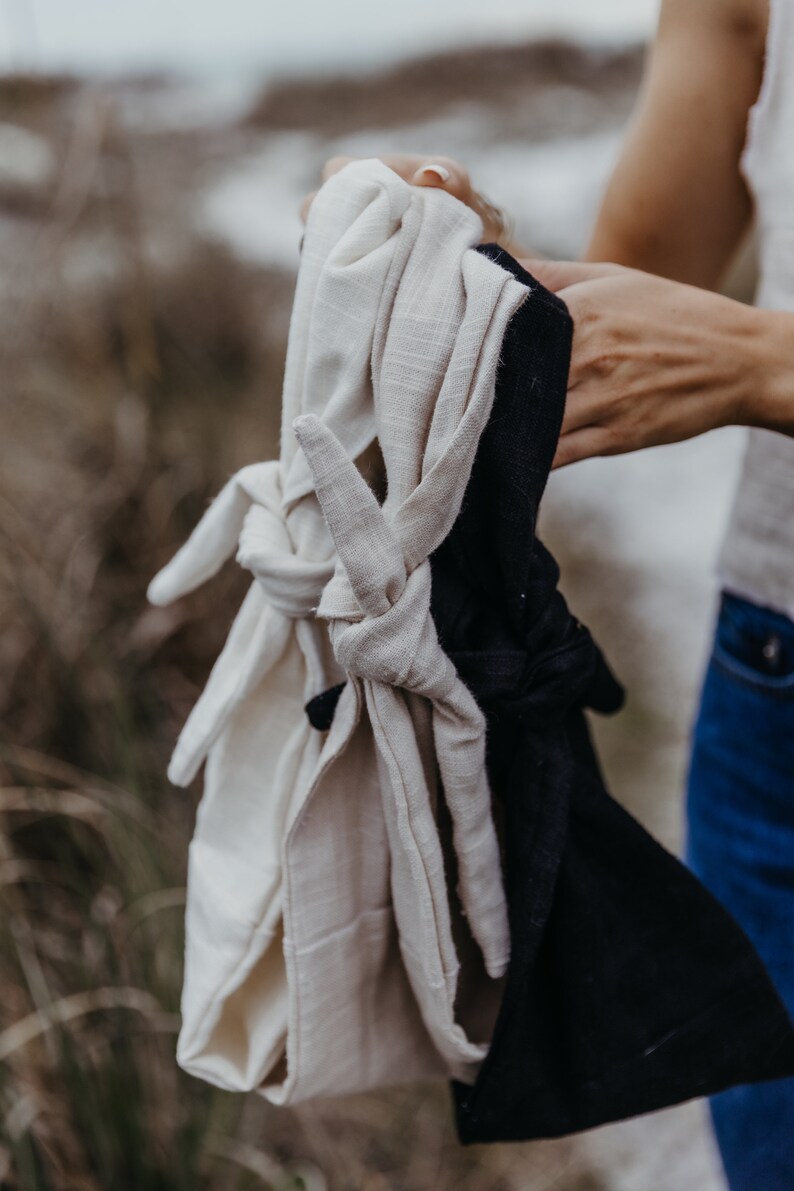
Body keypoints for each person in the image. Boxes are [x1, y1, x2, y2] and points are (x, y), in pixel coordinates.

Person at [302, 0, 794, 1184]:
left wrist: (764, 361)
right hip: (771, 665)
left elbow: (730, 347)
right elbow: (646, 273)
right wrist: (455, 287)